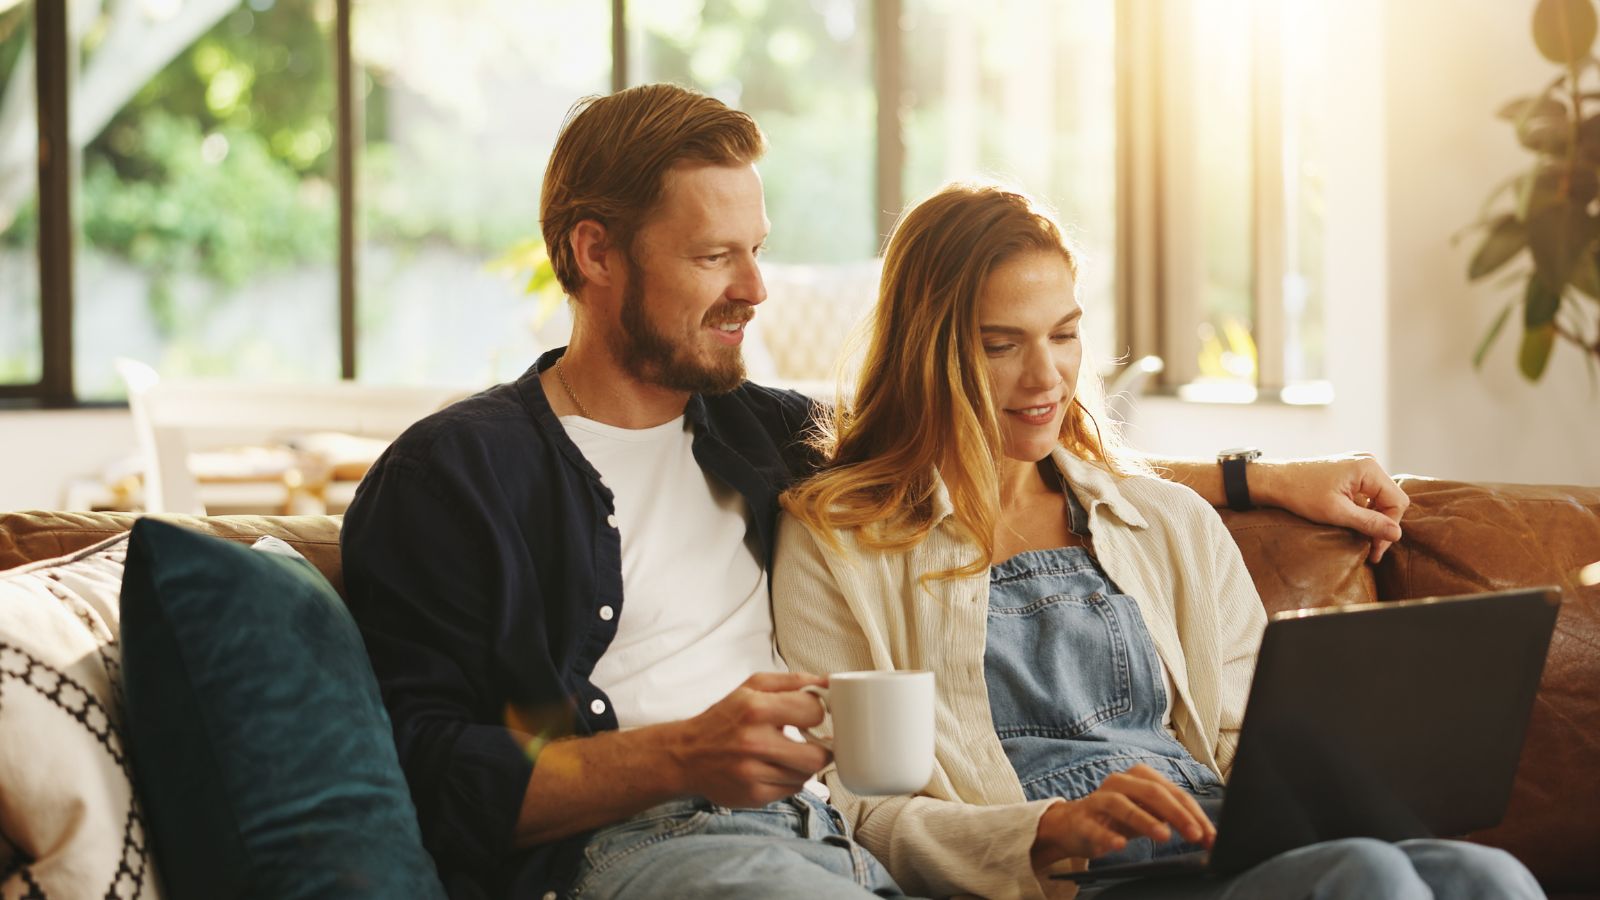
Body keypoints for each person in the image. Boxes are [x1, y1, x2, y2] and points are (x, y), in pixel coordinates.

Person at [341, 83, 1411, 900]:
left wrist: (1256, 478)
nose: (758, 290)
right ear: (594, 252)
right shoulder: (458, 478)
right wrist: (680, 753)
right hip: (656, 844)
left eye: (757, 251)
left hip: (849, 851)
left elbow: (994, 453)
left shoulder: (772, 438)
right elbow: (426, 771)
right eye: (717, 257)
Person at [772, 182, 1544, 900]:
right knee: (1366, 874)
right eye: (1001, 344)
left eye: (1065, 335)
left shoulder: (1170, 522)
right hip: (1071, 879)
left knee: (1487, 873)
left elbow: (1243, 746)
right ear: (927, 351)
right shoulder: (840, 544)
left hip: (1214, 850)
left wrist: (1340, 782)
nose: (1047, 376)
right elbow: (859, 810)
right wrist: (1042, 832)